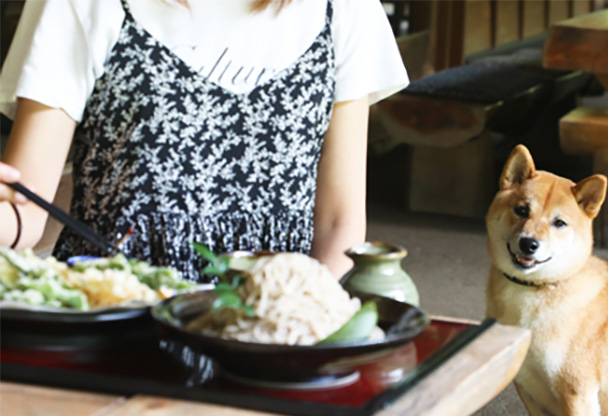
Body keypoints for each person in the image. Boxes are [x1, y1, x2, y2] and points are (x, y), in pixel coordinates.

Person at [0, 0, 409, 281]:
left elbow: (340, 222)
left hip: (272, 320)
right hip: (113, 307)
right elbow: (24, 215)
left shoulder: (341, 7)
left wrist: (302, 321)